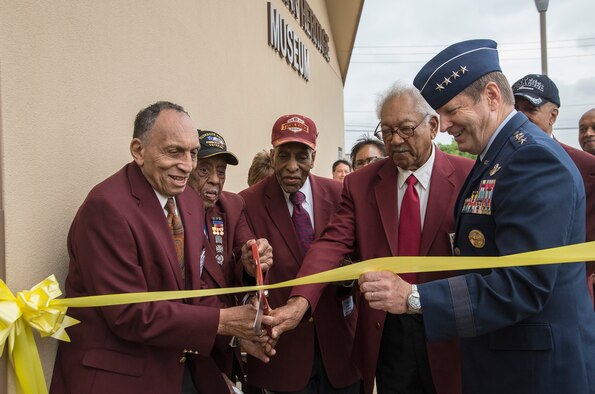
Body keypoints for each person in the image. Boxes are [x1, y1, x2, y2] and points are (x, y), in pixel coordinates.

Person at [358, 38, 593, 393]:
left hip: (534, 371)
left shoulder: (532, 160)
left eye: (452, 111)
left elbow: (523, 284)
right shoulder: (495, 157)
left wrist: (412, 296)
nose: (446, 124)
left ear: (493, 97)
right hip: (502, 358)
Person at [264, 84, 474, 394]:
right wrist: (299, 302)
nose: (395, 140)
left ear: (432, 126)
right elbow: (331, 244)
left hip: (450, 328)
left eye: (405, 129)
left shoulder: (469, 176)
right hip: (389, 332)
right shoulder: (361, 185)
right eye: (386, 131)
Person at [50, 102, 269, 394]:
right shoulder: (105, 208)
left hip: (172, 369)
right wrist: (223, 321)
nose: (187, 165)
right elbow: (130, 313)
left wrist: (238, 335)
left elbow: (193, 289)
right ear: (138, 151)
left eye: (192, 153)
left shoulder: (188, 202)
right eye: (174, 152)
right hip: (115, 379)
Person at [239, 114, 360, 393]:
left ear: (314, 157)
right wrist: (248, 265)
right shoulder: (246, 202)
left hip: (340, 349)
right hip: (282, 353)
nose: (292, 167)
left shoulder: (341, 195)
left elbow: (358, 255)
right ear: (272, 155)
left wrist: (348, 278)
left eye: (301, 156)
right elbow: (238, 272)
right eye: (283, 156)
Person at [187, 129, 275, 393]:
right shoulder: (172, 213)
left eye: (221, 171)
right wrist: (237, 331)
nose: (214, 180)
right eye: (204, 170)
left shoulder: (231, 206)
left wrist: (252, 262)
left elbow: (243, 253)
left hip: (226, 344)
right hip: (189, 343)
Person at [512, 75, 595, 306]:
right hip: (510, 300)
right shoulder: (493, 165)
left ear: (553, 115)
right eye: (515, 109)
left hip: (566, 301)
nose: (520, 117)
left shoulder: (587, 168)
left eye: (530, 108)